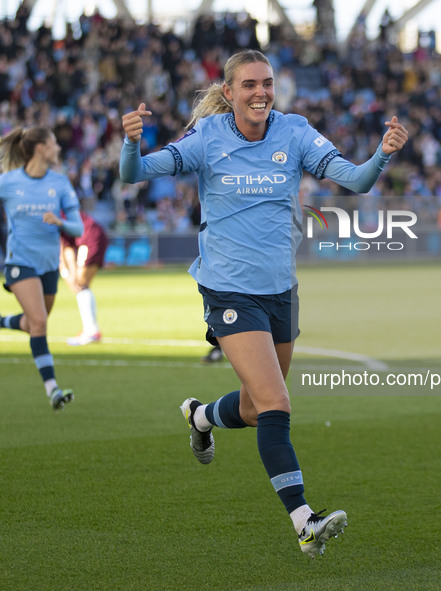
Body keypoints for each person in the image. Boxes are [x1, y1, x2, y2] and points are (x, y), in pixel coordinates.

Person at [120, 49, 408, 557]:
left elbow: (356, 179)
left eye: (267, 84)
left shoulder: (294, 132)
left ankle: (202, 417)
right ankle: (305, 521)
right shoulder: (207, 138)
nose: (260, 93)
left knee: (255, 408)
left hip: (281, 290)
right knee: (277, 403)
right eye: (249, 85)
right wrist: (130, 142)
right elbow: (135, 173)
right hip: (229, 289)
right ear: (228, 93)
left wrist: (383, 152)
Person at [0, 126, 83, 410]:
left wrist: (60, 222)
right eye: (54, 144)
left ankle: (2, 322)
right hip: (19, 262)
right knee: (39, 321)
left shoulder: (60, 183)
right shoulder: (8, 182)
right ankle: (53, 389)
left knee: (36, 322)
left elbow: (78, 226)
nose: (58, 149)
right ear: (41, 148)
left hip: (49, 265)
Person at [60, 210, 108, 345]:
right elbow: (66, 247)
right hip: (92, 236)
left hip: (89, 238)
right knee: (80, 284)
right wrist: (70, 274)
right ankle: (90, 329)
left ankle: (91, 331)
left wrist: (67, 274)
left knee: (80, 284)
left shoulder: (50, 214)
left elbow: (63, 249)